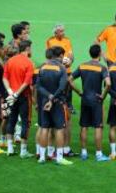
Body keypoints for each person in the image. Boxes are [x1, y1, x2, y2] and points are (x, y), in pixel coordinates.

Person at [70, 44, 111, 162]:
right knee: (98, 126)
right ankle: (98, 154)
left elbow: (70, 80)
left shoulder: (82, 66)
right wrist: (103, 95)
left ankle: (83, 152)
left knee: (84, 126)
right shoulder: (102, 68)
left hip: (85, 99)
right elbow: (108, 84)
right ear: (99, 54)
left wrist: (79, 92)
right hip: (96, 100)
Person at [36, 46, 73, 166]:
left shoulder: (43, 67)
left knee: (44, 129)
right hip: (57, 103)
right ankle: (59, 157)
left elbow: (38, 86)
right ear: (61, 55)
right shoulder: (61, 68)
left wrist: (48, 96)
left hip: (44, 102)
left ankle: (42, 157)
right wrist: (53, 98)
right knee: (59, 129)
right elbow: (62, 87)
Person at [46, 24, 76, 156]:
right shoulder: (50, 41)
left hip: (67, 72)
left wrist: (69, 61)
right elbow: (49, 56)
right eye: (60, 31)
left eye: (63, 30)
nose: (62, 33)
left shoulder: (67, 40)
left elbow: (71, 55)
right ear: (55, 32)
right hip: (56, 72)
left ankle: (67, 108)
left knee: (67, 104)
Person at [2, 40, 34, 158]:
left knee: (11, 120)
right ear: (27, 49)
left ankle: (10, 149)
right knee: (26, 121)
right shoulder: (29, 63)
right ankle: (23, 151)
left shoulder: (10, 61)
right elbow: (26, 83)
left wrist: (10, 92)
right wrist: (17, 94)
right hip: (23, 97)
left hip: (11, 96)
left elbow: (4, 78)